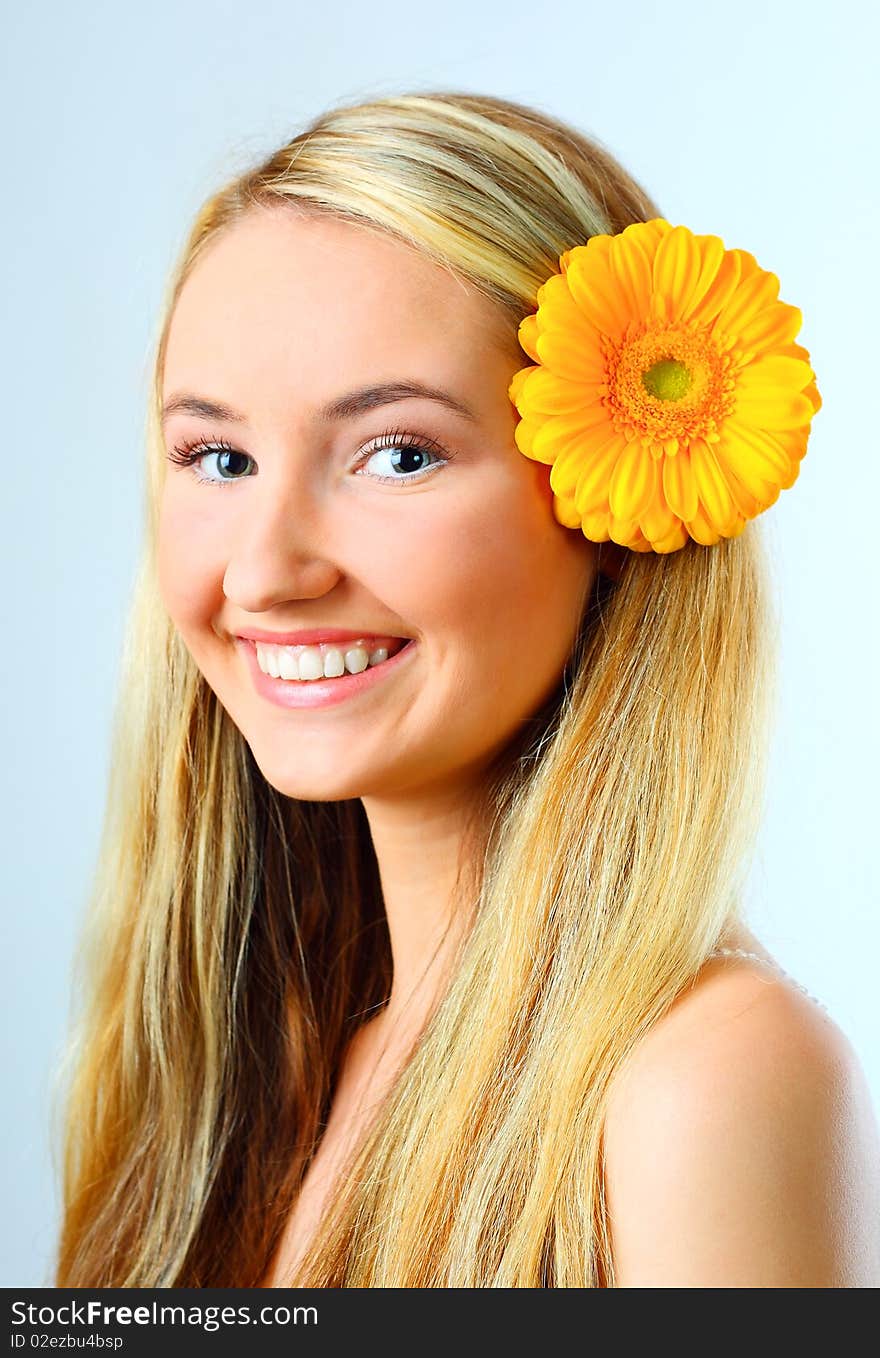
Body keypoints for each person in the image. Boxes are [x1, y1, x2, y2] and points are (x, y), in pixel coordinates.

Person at [54, 90, 880, 1288]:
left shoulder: (704, 1077)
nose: (267, 569)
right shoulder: (274, 1081)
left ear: (616, 504)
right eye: (216, 457)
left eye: (398, 453)